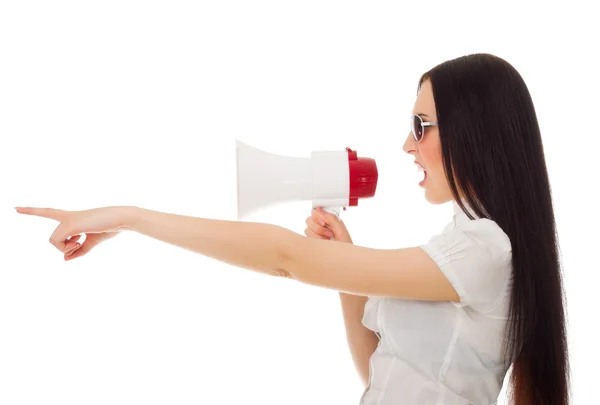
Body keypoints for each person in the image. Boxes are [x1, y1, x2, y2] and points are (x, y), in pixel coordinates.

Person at [15, 53, 570, 405]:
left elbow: (286, 257)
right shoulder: (457, 246)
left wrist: (131, 218)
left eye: (420, 125)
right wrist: (346, 267)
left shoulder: (484, 250)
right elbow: (381, 377)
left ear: (475, 131)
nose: (407, 144)